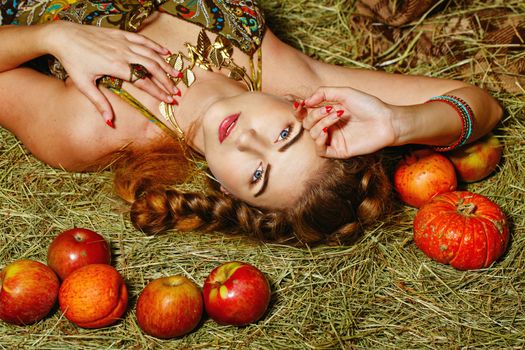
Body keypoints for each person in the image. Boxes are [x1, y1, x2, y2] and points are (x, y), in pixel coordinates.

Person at [0, 0, 502, 245]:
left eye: (257, 174)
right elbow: (483, 105)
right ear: (302, 110)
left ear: (226, 188)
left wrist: (53, 36)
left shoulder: (95, 128)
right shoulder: (285, 73)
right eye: (284, 135)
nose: (247, 139)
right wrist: (396, 123)